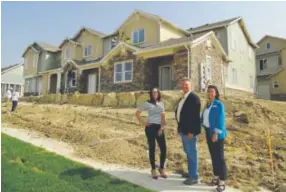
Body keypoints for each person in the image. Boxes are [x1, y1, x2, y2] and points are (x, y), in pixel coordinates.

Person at [136, 87, 167, 179]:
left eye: (156, 92)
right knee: (152, 148)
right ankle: (153, 169)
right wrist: (144, 122)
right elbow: (137, 113)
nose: (155, 94)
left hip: (159, 128)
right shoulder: (147, 103)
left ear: (158, 93)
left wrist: (162, 128)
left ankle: (161, 168)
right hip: (150, 128)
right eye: (153, 92)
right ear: (151, 94)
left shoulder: (161, 104)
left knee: (164, 149)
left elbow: (163, 117)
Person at [175, 78, 201, 185]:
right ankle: (191, 172)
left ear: (191, 86)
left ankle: (194, 177)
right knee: (188, 152)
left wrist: (191, 131)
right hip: (184, 130)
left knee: (192, 153)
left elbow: (195, 117)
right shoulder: (184, 97)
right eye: (183, 85)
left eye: (187, 85)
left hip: (189, 132)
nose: (185, 86)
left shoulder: (194, 98)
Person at [201, 85, 227, 192]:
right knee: (213, 156)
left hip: (217, 134)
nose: (210, 93)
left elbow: (220, 119)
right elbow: (204, 118)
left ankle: (222, 181)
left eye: (212, 91)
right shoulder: (208, 105)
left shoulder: (219, 104)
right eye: (209, 91)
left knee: (220, 158)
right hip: (208, 132)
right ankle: (216, 177)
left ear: (216, 93)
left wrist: (216, 133)